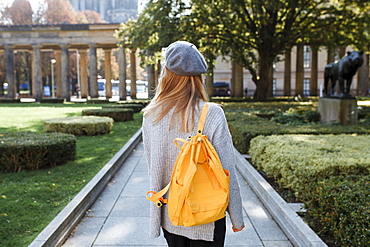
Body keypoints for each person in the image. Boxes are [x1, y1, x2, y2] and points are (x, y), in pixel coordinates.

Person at [142, 41, 245, 247]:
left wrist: (157, 217)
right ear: (198, 77)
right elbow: (226, 170)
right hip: (208, 215)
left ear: (166, 73)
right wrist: (237, 217)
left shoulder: (151, 115)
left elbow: (154, 168)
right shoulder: (212, 113)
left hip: (171, 215)